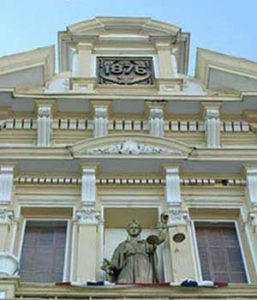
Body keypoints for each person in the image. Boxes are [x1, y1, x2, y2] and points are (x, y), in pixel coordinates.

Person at [101, 214, 168, 284]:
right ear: (128, 230)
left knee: (143, 287)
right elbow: (115, 261)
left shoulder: (146, 243)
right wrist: (110, 267)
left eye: (136, 227)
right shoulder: (122, 245)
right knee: (123, 284)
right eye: (131, 228)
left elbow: (160, 239)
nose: (133, 229)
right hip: (127, 268)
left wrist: (164, 226)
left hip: (143, 269)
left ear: (139, 230)